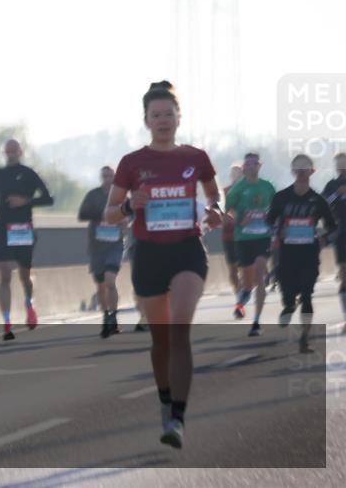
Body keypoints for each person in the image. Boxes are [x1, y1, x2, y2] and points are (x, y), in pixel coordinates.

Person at [105, 81, 223, 449]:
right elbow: (109, 215)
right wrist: (129, 206)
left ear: (178, 117)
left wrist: (217, 210)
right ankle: (164, 400)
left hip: (188, 250)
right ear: (146, 120)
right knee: (160, 342)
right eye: (156, 115)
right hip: (149, 255)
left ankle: (178, 418)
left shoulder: (196, 157)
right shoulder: (132, 163)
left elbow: (214, 194)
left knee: (179, 330)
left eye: (168, 114)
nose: (163, 120)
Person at [0, 139, 54, 340]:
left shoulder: (29, 173)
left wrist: (26, 201)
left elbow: (49, 198)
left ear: (20, 152)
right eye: (7, 151)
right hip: (3, 227)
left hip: (23, 229)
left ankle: (29, 303)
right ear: (4, 153)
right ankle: (6, 321)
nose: (10, 154)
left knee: (24, 275)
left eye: (14, 151)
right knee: (4, 274)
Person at [269, 154, 339, 352]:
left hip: (309, 255)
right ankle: (289, 305)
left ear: (312, 171)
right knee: (289, 294)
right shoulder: (281, 198)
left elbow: (334, 227)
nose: (301, 173)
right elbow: (268, 222)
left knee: (307, 295)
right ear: (292, 171)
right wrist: (277, 231)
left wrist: (324, 239)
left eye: (305, 169)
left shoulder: (318, 200)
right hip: (287, 255)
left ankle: (304, 339)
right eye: (297, 169)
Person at [224, 153, 276, 336]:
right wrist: (239, 220)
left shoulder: (268, 187)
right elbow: (226, 212)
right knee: (248, 284)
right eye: (249, 164)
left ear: (260, 166)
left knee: (260, 276)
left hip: (263, 237)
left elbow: (275, 210)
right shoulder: (237, 189)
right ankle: (240, 303)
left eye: (255, 163)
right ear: (245, 167)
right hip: (243, 239)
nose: (252, 167)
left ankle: (256, 322)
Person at [77, 166, 127, 338]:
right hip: (97, 246)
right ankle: (106, 316)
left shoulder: (121, 195)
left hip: (115, 244)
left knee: (110, 281)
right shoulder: (93, 195)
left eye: (110, 176)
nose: (107, 179)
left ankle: (113, 316)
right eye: (104, 176)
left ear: (115, 177)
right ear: (101, 177)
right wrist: (102, 214)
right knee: (100, 286)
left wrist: (122, 218)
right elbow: (81, 214)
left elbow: (131, 214)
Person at [321, 152, 346, 331]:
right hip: (342, 234)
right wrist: (337, 194)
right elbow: (324, 204)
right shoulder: (332, 185)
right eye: (339, 163)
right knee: (344, 276)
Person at [221, 163, 243, 296]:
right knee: (232, 267)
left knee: (244, 265)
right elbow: (219, 209)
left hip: (244, 234)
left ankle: (244, 287)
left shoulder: (249, 189)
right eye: (233, 173)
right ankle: (237, 291)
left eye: (238, 172)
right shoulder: (225, 191)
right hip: (228, 233)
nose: (236, 175)